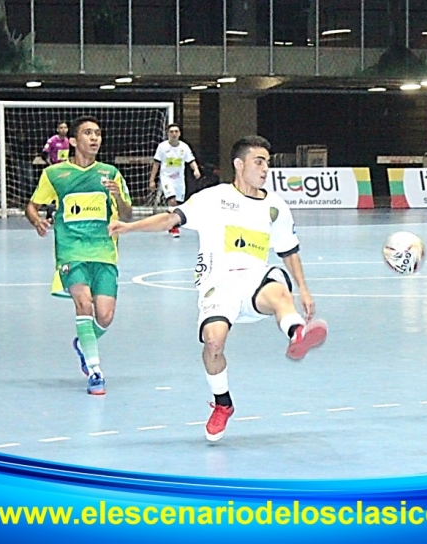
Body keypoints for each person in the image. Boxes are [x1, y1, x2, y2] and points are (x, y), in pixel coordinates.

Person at [109, 135, 328, 441]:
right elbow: (171, 218)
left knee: (279, 290)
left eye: (268, 162)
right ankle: (222, 403)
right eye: (259, 162)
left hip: (255, 278)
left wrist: (303, 288)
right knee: (213, 343)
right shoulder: (212, 198)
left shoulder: (275, 207)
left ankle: (297, 334)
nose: (266, 169)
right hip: (218, 283)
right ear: (240, 165)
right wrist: (130, 227)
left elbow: (288, 249)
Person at [25, 115, 133, 395]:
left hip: (104, 251)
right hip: (71, 251)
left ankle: (83, 342)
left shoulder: (110, 172)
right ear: (73, 140)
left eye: (98, 133)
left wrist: (118, 196)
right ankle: (96, 371)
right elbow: (32, 206)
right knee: (83, 304)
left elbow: (127, 214)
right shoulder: (54, 174)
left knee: (105, 316)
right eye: (88, 133)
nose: (95, 138)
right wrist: (37, 220)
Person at [148, 123, 201, 237]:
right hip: (166, 178)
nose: (174, 134)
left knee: (177, 204)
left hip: (179, 180)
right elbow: (156, 164)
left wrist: (196, 170)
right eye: (171, 132)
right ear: (168, 134)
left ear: (179, 134)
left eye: (176, 131)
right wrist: (152, 180)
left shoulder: (184, 147)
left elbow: (191, 160)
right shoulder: (162, 147)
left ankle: (170, 222)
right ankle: (172, 227)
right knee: (171, 200)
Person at [41, 121, 71, 222]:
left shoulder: (67, 141)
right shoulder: (52, 140)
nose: (63, 129)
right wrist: (52, 166)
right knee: (53, 193)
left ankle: (63, 213)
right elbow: (44, 154)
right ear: (57, 129)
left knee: (64, 192)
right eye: (61, 127)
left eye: (65, 127)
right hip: (55, 171)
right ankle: (49, 215)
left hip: (65, 171)